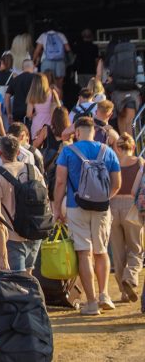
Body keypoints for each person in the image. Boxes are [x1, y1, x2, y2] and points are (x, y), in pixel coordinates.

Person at [52, 117, 121, 316]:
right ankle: (104, 294)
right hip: (102, 208)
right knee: (101, 251)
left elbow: (60, 182)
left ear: (77, 131)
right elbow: (117, 183)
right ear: (94, 131)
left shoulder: (68, 151)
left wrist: (57, 209)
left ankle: (91, 303)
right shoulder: (107, 151)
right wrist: (103, 198)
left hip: (76, 206)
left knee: (84, 253)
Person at [0, 137, 46, 274]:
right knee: (28, 277)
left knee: (15, 280)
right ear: (18, 152)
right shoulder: (33, 170)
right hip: (34, 232)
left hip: (12, 236)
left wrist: (3, 255)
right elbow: (45, 197)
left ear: (0, 153)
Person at [110, 133, 143, 303]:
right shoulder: (139, 162)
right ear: (133, 147)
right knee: (135, 248)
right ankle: (129, 277)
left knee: (117, 252)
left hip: (112, 205)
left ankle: (123, 292)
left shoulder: (112, 162)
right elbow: (136, 189)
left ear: (118, 147)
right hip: (131, 206)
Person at [26, 73, 62, 140]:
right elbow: (59, 107)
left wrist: (35, 113)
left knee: (36, 142)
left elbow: (28, 114)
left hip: (37, 122)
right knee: (49, 142)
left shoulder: (32, 94)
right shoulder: (52, 93)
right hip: (51, 121)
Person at [5, 59, 37, 127]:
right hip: (33, 113)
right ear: (33, 67)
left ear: (22, 68)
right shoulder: (36, 79)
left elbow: (7, 96)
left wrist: (9, 113)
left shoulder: (16, 79)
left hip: (17, 112)